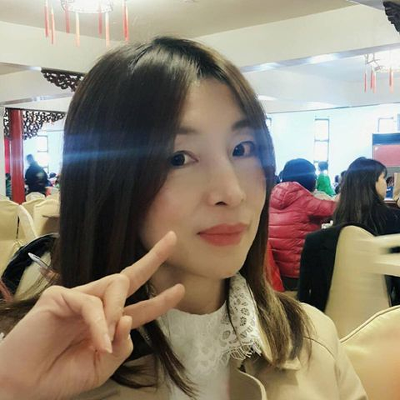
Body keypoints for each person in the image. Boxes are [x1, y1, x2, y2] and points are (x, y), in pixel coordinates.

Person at [0, 37, 366, 400]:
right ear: (108, 180)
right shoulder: (38, 360)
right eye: (179, 158)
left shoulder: (313, 339)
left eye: (242, 149)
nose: (232, 192)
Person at [333, 157, 400, 304]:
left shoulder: (339, 216)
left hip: (340, 300)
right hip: (384, 302)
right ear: (372, 182)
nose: (386, 184)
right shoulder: (393, 218)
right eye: (383, 178)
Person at [269, 158, 336, 290]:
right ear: (310, 178)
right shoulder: (304, 199)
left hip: (275, 270)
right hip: (298, 273)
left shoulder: (273, 195)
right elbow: (336, 209)